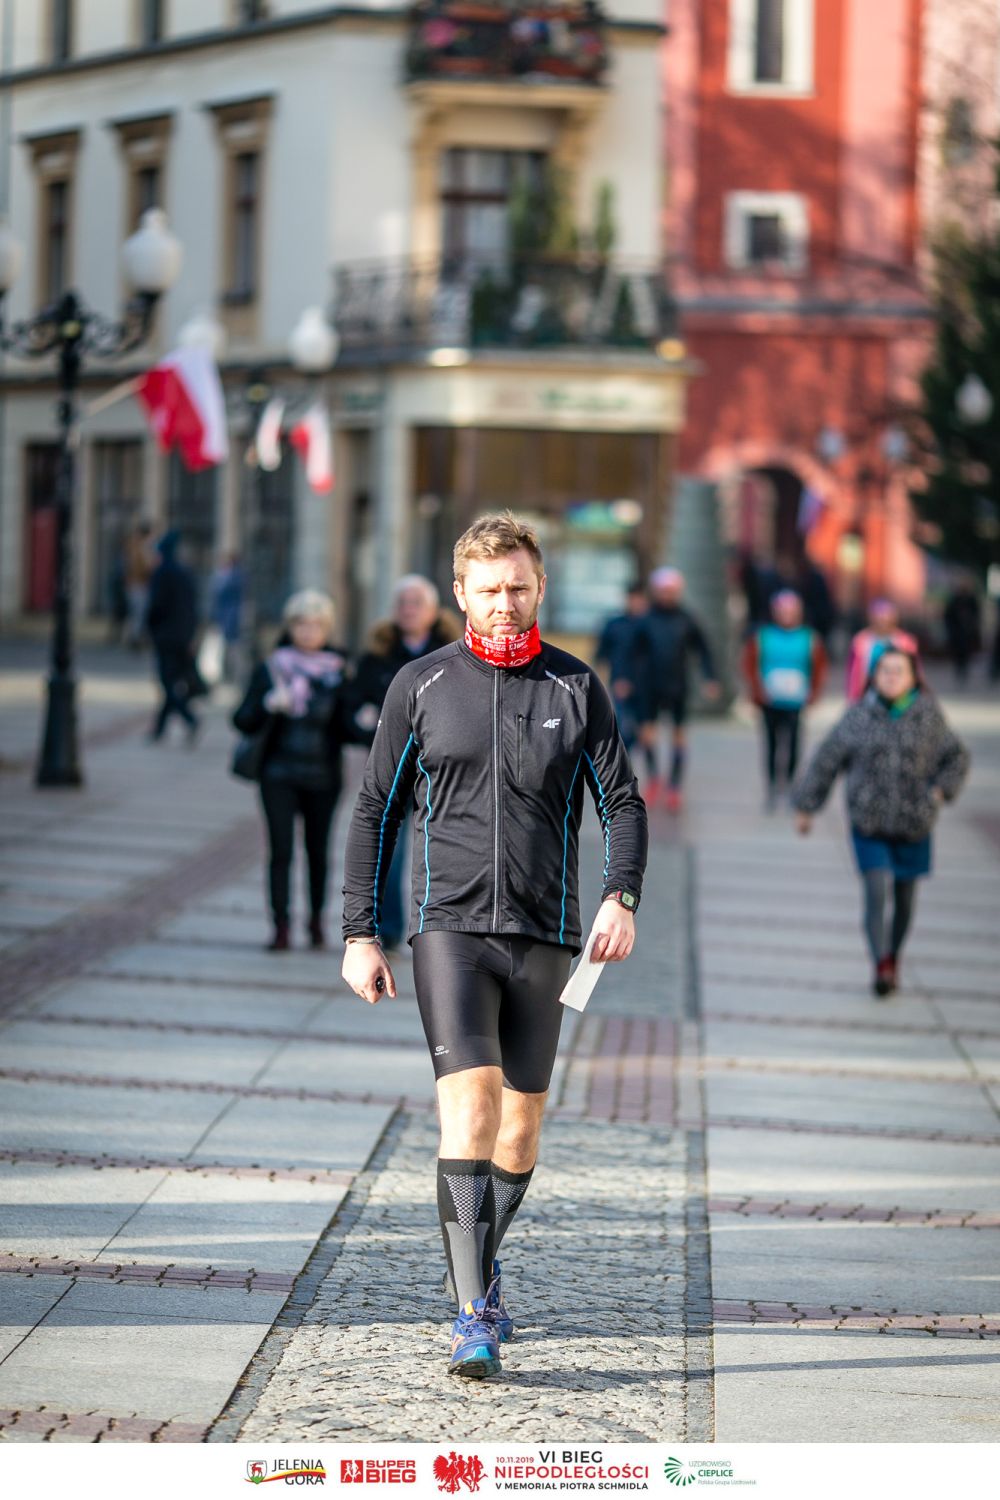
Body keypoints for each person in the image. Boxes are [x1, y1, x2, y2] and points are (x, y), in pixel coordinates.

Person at [341, 511, 647, 1380]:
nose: (504, 603)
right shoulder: (422, 684)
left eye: (517, 587)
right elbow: (374, 809)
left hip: (548, 936)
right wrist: (360, 932)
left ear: (539, 586)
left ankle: (479, 1256)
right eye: (488, 590)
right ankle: (472, 1313)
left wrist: (621, 896)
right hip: (449, 929)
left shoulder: (576, 687)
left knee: (520, 1131)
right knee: (469, 1108)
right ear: (461, 593)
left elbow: (622, 802)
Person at [793, 647, 969, 998]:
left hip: (914, 824)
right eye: (885, 671)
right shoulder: (858, 715)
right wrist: (806, 807)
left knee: (904, 900)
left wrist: (940, 791)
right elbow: (827, 760)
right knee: (875, 889)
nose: (891, 678)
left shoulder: (928, 715)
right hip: (868, 823)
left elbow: (957, 757)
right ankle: (880, 965)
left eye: (898, 671)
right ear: (874, 677)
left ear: (913, 678)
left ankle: (893, 955)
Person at [233, 590, 352, 952]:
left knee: (318, 851)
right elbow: (242, 719)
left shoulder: (338, 671)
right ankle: (281, 926)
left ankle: (316, 921)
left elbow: (348, 727)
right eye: (301, 624)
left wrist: (371, 721)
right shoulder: (272, 668)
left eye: (316, 625)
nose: (308, 631)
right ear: (290, 627)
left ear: (327, 629)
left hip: (323, 777)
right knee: (281, 851)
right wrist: (267, 705)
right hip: (278, 773)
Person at [347, 576, 461, 950]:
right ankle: (389, 928)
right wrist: (368, 727)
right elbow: (352, 709)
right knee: (389, 852)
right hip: (393, 768)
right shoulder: (377, 656)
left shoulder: (453, 654)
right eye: (402, 603)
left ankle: (441, 928)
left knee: (441, 851)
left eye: (416, 602)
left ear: (434, 610)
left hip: (439, 770)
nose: (408, 609)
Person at [631, 566, 721, 812]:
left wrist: (710, 678)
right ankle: (653, 779)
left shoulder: (686, 619)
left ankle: (674, 786)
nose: (667, 595)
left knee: (679, 736)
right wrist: (627, 679)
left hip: (677, 685)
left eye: (672, 591)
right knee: (647, 734)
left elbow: (703, 650)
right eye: (664, 590)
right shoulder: (646, 619)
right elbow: (632, 652)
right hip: (650, 686)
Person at [741, 589, 827, 810]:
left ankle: (789, 784)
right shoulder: (763, 636)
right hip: (770, 701)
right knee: (771, 744)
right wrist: (757, 692)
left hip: (795, 702)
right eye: (782, 611)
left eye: (791, 611)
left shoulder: (809, 638)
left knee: (793, 745)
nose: (787, 615)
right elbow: (749, 665)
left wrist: (813, 694)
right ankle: (771, 785)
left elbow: (819, 668)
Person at [145, 530, 201, 743]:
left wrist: (151, 628)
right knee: (171, 682)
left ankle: (189, 718)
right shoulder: (185, 573)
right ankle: (159, 728)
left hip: (166, 637)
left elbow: (156, 606)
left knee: (167, 683)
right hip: (183, 637)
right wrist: (191, 635)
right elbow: (193, 609)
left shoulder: (162, 573)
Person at [594, 582, 648, 756]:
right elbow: (602, 654)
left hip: (647, 685)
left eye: (640, 599)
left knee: (646, 730)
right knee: (624, 727)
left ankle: (651, 768)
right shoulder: (615, 625)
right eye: (633, 599)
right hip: (621, 682)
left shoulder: (650, 624)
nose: (636, 603)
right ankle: (623, 762)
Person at [845, 599, 917, 703]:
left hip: (900, 693)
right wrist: (853, 696)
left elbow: (915, 671)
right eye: (879, 619)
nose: (882, 622)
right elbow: (853, 673)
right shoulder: (860, 641)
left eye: (886, 618)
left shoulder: (906, 642)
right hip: (868, 693)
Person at [210, 553, 245, 683]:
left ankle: (233, 675)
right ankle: (223, 674)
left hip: (231, 618)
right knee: (222, 648)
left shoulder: (235, 577)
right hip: (223, 617)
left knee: (232, 648)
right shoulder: (223, 575)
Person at [123, 521, 155, 649]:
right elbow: (143, 567)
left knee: (137, 613)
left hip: (135, 585)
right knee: (139, 613)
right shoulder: (139, 548)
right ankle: (135, 639)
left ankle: (135, 637)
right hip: (139, 585)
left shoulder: (135, 547)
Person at [943, 581, 982, 684]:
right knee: (958, 653)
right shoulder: (955, 600)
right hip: (957, 633)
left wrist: (972, 626)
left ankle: (964, 670)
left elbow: (976, 615)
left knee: (966, 653)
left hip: (967, 633)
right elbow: (948, 616)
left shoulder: (971, 600)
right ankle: (959, 670)